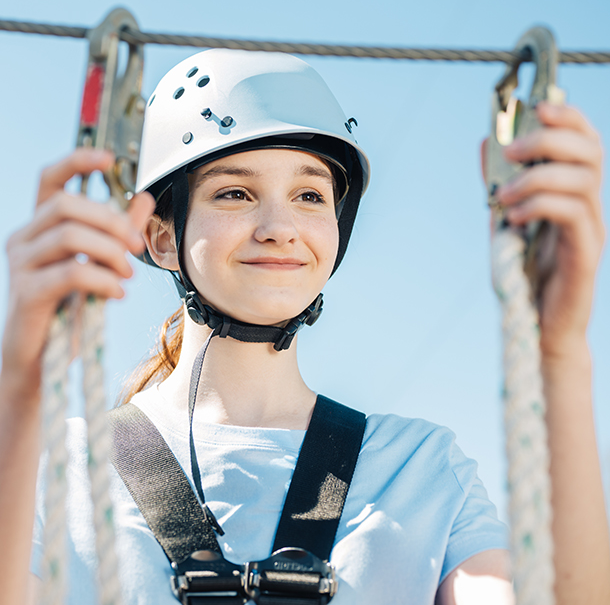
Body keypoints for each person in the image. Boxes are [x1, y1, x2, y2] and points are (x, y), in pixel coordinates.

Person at [0, 48, 608, 605]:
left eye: (311, 196)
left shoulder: (419, 469)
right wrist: (20, 377)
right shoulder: (59, 468)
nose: (278, 227)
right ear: (162, 235)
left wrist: (559, 352)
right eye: (235, 193)